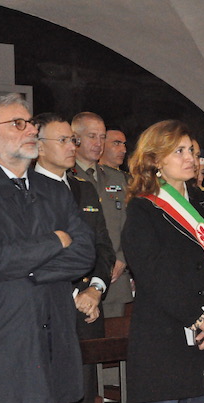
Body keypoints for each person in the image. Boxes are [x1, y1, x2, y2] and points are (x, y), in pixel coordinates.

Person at [0, 93, 95, 403]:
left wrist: (30, 270)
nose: (32, 129)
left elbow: (84, 254)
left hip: (46, 352)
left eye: (31, 123)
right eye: (18, 123)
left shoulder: (55, 190)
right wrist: (56, 239)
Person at [121, 119, 204, 403]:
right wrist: (202, 321)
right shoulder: (143, 208)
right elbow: (154, 276)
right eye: (179, 151)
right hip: (167, 335)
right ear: (155, 160)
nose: (191, 157)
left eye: (192, 150)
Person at [34, 112, 116, 403]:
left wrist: (95, 289)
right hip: (46, 311)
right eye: (64, 140)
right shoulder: (26, 191)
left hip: (87, 311)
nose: (73, 146)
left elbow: (103, 246)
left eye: (72, 139)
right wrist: (72, 295)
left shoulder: (84, 188)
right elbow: (36, 256)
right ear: (39, 146)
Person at [70, 112, 133, 317]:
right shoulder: (66, 178)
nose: (99, 143)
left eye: (102, 137)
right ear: (76, 139)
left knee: (115, 336)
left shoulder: (118, 179)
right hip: (78, 282)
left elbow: (131, 224)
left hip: (116, 280)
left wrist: (122, 257)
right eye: (92, 136)